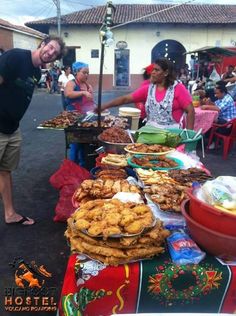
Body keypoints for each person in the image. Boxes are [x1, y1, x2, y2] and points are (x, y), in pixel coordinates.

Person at [0, 35, 66, 225]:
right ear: (43, 44)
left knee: (5, 171)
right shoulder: (15, 57)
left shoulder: (37, 73)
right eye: (51, 47)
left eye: (55, 53)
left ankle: (10, 214)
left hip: (12, 128)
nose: (51, 53)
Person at [98, 58, 194, 130]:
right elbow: (125, 99)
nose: (152, 73)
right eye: (153, 70)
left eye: (157, 70)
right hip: (150, 132)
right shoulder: (148, 89)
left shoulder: (178, 88)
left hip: (172, 133)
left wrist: (189, 135)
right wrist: (104, 106)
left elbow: (190, 111)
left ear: (166, 73)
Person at [64, 61, 94, 165]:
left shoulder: (88, 85)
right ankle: (72, 166)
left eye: (88, 73)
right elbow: (68, 94)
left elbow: (90, 103)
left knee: (84, 143)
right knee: (75, 143)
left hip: (85, 118)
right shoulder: (71, 83)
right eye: (84, 72)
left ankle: (82, 165)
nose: (87, 75)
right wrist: (83, 92)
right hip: (73, 118)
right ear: (76, 72)